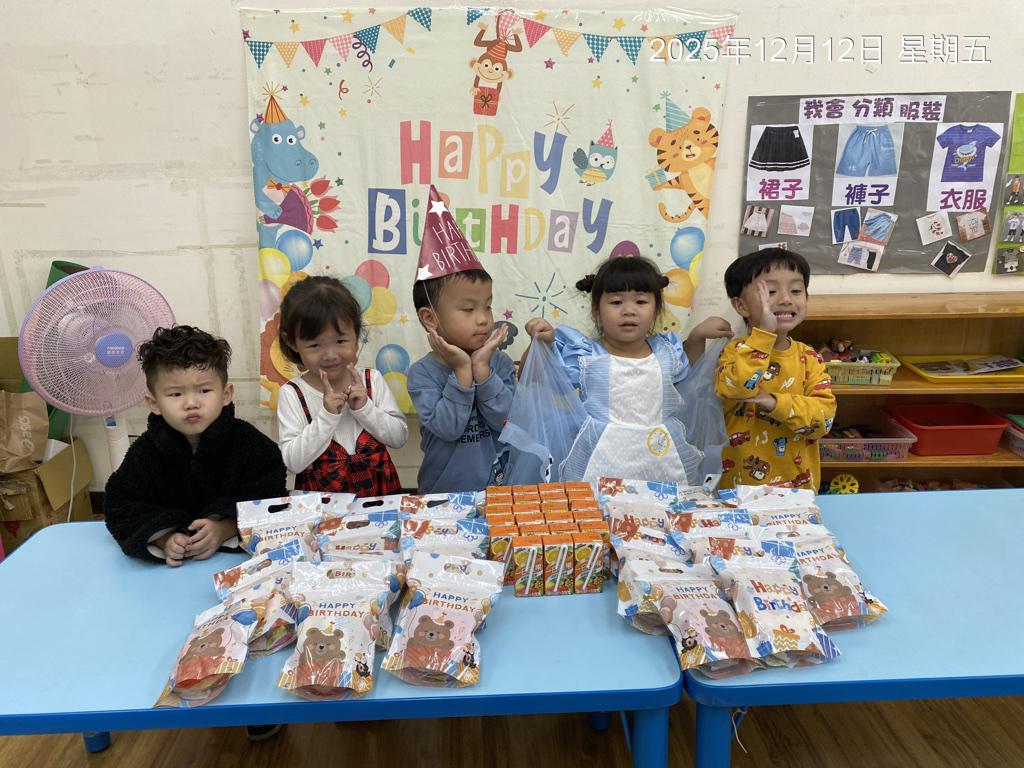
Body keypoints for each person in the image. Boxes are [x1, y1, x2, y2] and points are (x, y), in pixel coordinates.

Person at [103, 325, 287, 742]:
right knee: (162, 638)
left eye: (204, 390)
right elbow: (122, 503)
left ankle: (255, 705)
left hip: (242, 576)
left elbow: (271, 491)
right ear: (153, 401)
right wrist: (161, 536)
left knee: (254, 640)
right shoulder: (144, 453)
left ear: (226, 393)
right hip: (166, 583)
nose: (191, 402)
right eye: (175, 393)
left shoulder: (250, 445)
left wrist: (227, 525)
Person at [525, 253, 733, 485]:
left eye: (641, 302)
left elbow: (689, 376)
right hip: (601, 458)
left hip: (659, 457)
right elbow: (534, 376)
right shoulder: (585, 356)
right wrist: (543, 344)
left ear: (656, 310)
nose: (629, 310)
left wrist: (696, 337)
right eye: (616, 302)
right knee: (595, 504)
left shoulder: (666, 352)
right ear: (596, 310)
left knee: (665, 505)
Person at [407, 185, 516, 493]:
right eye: (468, 309)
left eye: (487, 306)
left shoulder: (500, 363)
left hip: (499, 490)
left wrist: (483, 371)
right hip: (442, 494)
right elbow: (448, 429)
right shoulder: (422, 373)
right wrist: (462, 371)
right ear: (430, 318)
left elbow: (507, 423)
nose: (482, 318)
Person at [715, 248, 836, 490]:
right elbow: (737, 387)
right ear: (741, 306)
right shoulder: (734, 351)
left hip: (797, 488)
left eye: (796, 290)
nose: (785, 299)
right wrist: (763, 336)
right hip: (740, 489)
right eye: (770, 292)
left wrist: (774, 402)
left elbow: (824, 420)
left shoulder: (810, 357)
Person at [277, 275, 407, 495]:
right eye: (315, 345)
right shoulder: (292, 394)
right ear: (292, 342)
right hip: (322, 503)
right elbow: (293, 462)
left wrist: (366, 409)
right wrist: (327, 416)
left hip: (380, 496)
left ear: (356, 333)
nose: (330, 355)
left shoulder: (372, 380)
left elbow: (399, 438)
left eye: (340, 341)